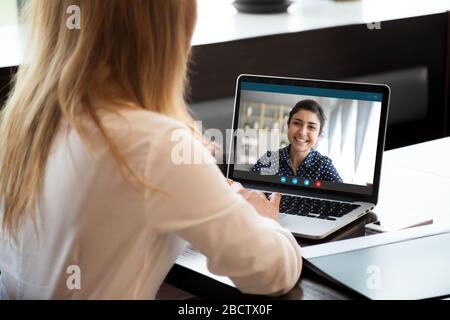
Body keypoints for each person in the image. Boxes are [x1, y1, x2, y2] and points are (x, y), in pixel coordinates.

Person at [0, 0, 301, 299]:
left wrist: (197, 179)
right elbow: (270, 272)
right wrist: (262, 220)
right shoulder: (152, 144)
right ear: (165, 34)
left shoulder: (25, 124)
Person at [252, 99, 342, 213]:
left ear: (319, 134)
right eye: (297, 123)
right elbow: (248, 192)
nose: (302, 132)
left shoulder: (323, 165)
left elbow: (343, 197)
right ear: (288, 125)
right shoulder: (269, 159)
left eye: (311, 127)